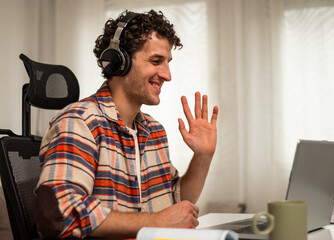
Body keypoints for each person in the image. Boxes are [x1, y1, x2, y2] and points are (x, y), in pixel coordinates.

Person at [35, 9, 219, 239]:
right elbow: (59, 214)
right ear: (118, 61)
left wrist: (203, 156)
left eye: (167, 62)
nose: (167, 75)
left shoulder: (154, 131)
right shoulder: (80, 122)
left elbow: (175, 202)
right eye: (156, 61)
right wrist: (158, 221)